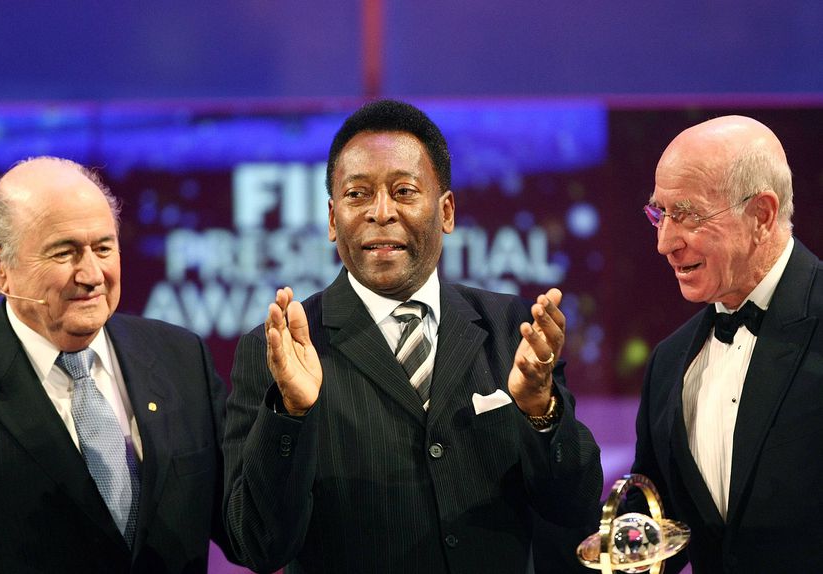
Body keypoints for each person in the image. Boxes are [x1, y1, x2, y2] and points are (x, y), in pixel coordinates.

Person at [222, 99, 602, 574]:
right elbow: (256, 545)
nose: (381, 212)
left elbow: (575, 509)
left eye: (404, 191)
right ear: (332, 218)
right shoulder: (280, 350)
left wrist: (541, 411)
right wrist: (290, 416)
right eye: (357, 194)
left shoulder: (513, 328)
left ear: (446, 211)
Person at [0, 157, 233, 573]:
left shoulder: (182, 358)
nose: (92, 274)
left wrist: (288, 414)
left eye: (103, 248)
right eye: (65, 252)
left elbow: (252, 536)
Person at [631, 115, 823, 573]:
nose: (665, 243)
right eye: (659, 214)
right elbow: (651, 529)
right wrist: (546, 418)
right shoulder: (669, 362)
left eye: (688, 215)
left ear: (762, 215)